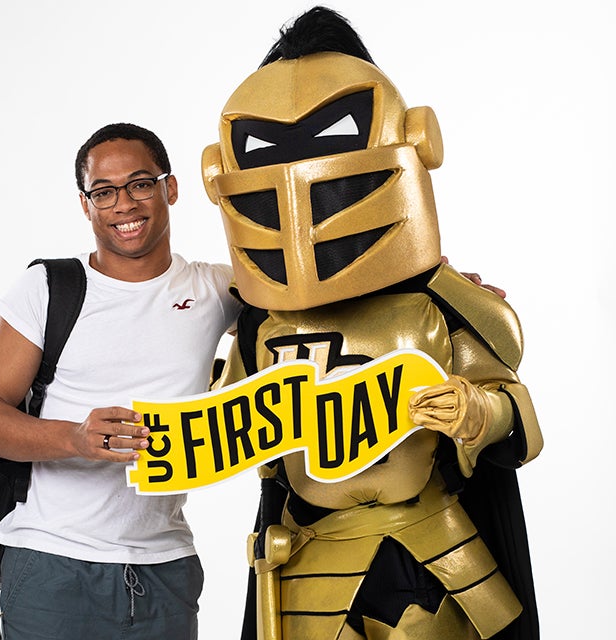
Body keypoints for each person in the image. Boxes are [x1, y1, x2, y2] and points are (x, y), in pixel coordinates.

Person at [200, 7, 542, 640]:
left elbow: (517, 411)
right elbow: (240, 441)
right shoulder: (254, 324)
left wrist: (476, 413)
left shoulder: (438, 300)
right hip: (305, 563)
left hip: (432, 559)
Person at [0, 122, 242, 639]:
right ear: (86, 205)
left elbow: (313, 299)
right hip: (52, 563)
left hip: (165, 566)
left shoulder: (217, 288)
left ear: (170, 188)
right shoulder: (48, 288)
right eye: (104, 192)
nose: (124, 205)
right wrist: (75, 437)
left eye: (140, 184)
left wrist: (412, 272)